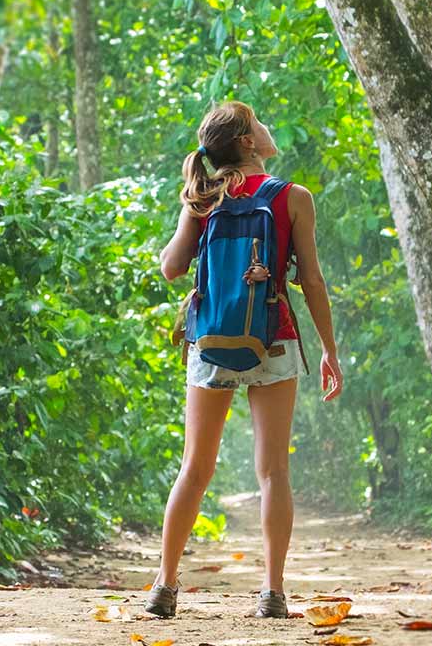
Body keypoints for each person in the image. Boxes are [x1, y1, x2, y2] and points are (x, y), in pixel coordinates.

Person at [147, 101, 343, 620]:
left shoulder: (204, 197)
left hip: (210, 341)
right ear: (250, 143)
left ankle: (165, 586)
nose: (266, 127)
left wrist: (193, 204)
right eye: (258, 122)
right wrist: (328, 349)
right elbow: (313, 281)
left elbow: (171, 268)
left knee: (194, 468)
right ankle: (272, 592)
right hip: (273, 340)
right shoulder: (293, 197)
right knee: (273, 470)